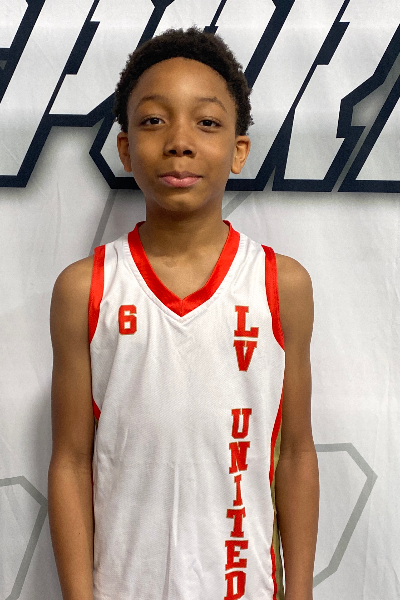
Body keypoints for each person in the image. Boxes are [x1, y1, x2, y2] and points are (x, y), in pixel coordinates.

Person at [48, 26, 319, 600]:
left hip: (244, 585)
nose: (179, 141)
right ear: (125, 148)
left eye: (207, 122)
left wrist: (300, 592)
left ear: (239, 150)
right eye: (154, 120)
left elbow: (295, 453)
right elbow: (71, 462)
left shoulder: (281, 284)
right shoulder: (86, 288)